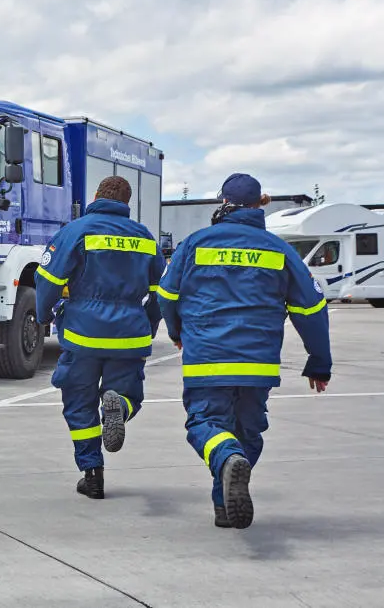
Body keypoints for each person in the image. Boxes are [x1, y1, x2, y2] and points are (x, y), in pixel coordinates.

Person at [158, 173, 331, 529]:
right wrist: (319, 362)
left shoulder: (194, 244)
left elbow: (167, 295)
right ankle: (224, 508)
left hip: (207, 358)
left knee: (207, 425)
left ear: (223, 203)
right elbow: (312, 308)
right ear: (258, 207)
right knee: (247, 433)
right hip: (258, 363)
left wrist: (176, 332)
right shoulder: (279, 250)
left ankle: (228, 458)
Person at [35, 175, 165, 499]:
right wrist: (147, 326)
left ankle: (92, 474)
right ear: (127, 203)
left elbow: (48, 279)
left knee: (79, 403)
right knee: (129, 394)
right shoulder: (144, 237)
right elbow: (160, 291)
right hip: (129, 333)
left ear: (96, 196)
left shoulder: (77, 230)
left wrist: (43, 315)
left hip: (83, 333)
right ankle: (118, 405)